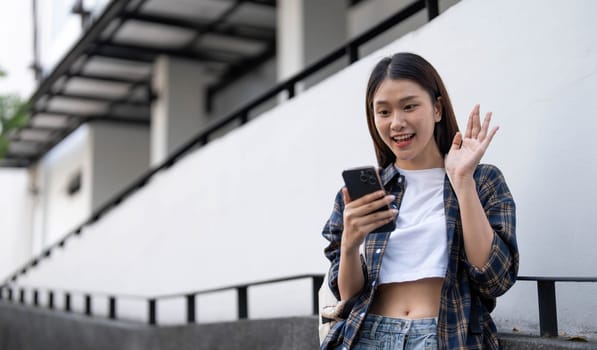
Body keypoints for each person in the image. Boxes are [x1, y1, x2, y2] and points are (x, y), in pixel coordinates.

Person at [320, 52, 518, 350]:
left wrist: (462, 182)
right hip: (367, 335)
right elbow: (349, 296)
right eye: (383, 112)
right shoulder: (361, 194)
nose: (396, 123)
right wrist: (349, 245)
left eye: (409, 106)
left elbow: (494, 279)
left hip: (445, 337)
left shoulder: (482, 181)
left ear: (437, 108)